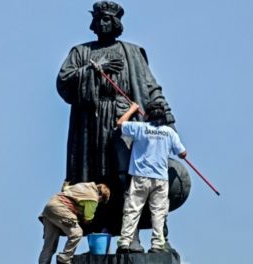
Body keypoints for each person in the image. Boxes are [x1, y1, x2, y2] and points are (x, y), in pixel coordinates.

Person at [56, 1, 177, 242]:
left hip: (124, 123)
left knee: (127, 177)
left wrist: (166, 115)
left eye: (108, 19)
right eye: (99, 19)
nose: (102, 23)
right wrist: (95, 69)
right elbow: (64, 82)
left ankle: (130, 235)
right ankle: (98, 230)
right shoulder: (80, 52)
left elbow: (150, 87)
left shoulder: (132, 52)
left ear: (117, 23)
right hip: (90, 124)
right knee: (94, 179)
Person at [116, 101, 187, 253]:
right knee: (158, 213)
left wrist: (132, 109)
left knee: (133, 210)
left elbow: (120, 123)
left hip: (140, 177)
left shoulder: (140, 128)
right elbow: (182, 153)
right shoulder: (169, 133)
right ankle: (157, 245)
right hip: (160, 179)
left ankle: (125, 242)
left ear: (146, 115)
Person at [38, 182, 110, 264]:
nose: (99, 202)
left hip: (49, 208)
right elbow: (88, 218)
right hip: (61, 208)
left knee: (49, 247)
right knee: (77, 233)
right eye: (101, 201)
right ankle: (65, 258)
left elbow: (65, 188)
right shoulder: (93, 198)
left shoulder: (83, 186)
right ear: (101, 196)